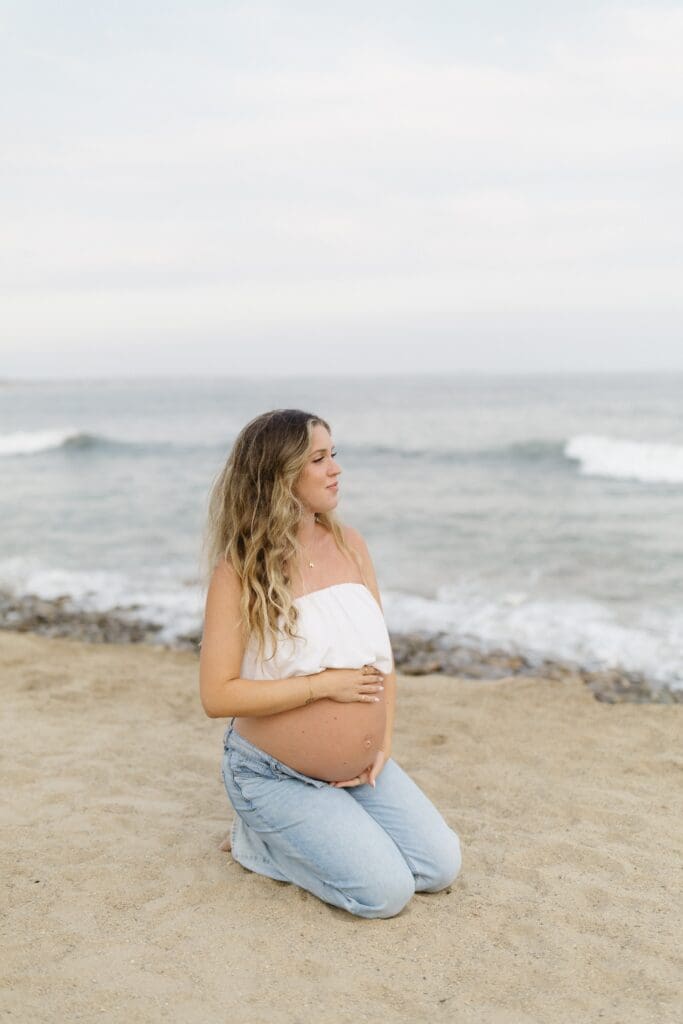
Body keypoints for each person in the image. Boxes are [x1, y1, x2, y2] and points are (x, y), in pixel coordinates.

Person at [199, 408, 462, 918]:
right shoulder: (240, 570)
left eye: (333, 455)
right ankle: (257, 843)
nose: (335, 469)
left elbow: (382, 661)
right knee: (385, 894)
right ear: (279, 474)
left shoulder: (350, 544)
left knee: (439, 867)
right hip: (273, 773)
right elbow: (218, 696)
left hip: (358, 769)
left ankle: (327, 820)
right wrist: (323, 687)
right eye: (318, 459)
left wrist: (381, 742)